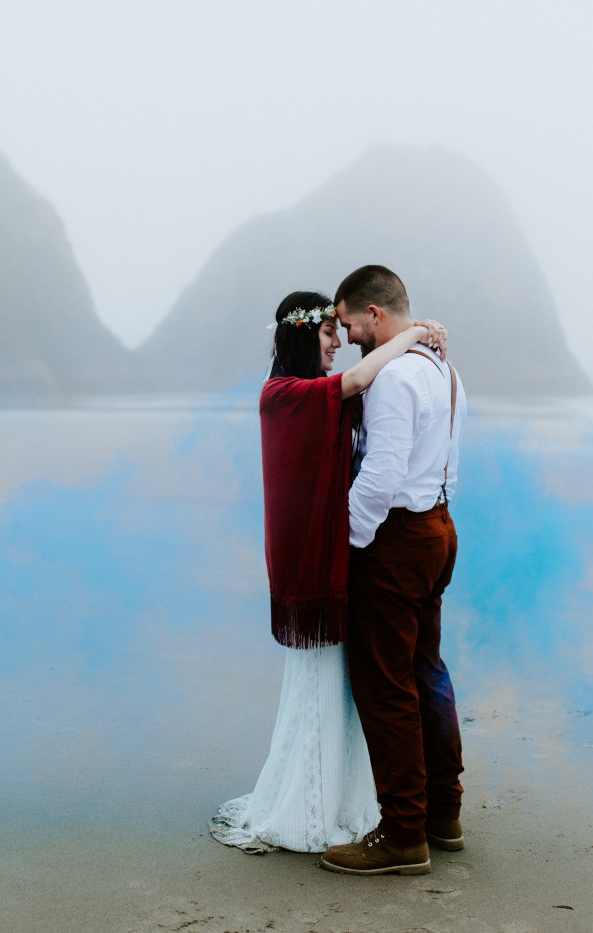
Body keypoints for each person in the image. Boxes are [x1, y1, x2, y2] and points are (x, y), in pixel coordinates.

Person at [210, 290, 447, 854]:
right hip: (315, 561)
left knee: (346, 687)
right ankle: (314, 810)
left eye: (339, 335)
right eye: (327, 336)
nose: (338, 345)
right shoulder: (284, 394)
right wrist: (410, 336)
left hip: (340, 552)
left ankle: (352, 801)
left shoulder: (312, 394)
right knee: (325, 684)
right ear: (301, 337)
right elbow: (358, 383)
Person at [320, 265, 466, 876]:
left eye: (350, 323)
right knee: (425, 670)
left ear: (375, 314)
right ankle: (443, 813)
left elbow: (379, 475)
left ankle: (405, 834)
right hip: (438, 528)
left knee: (385, 686)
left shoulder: (394, 378)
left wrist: (348, 547)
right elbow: (443, 463)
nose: (350, 337)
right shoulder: (443, 371)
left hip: (394, 541)